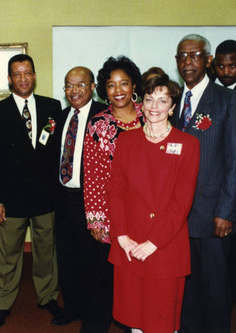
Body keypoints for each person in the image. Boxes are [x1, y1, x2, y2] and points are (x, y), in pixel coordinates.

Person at [107, 74, 200, 333]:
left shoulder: (188, 144)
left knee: (162, 321)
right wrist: (122, 236)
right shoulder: (126, 141)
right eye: (149, 99)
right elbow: (116, 191)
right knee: (134, 319)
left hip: (165, 246)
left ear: (172, 107)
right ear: (141, 103)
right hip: (131, 244)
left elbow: (182, 202)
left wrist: (154, 243)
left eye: (162, 101)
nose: (154, 107)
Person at [0, 54, 62, 328]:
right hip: (10, 199)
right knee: (7, 255)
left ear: (35, 75)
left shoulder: (53, 107)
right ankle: (2, 303)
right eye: (17, 74)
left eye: (27, 72)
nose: (23, 78)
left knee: (46, 252)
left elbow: (57, 155)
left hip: (45, 197)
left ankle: (48, 296)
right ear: (9, 79)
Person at [174, 34, 236, 333]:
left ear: (208, 61)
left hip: (213, 213)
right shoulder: (174, 99)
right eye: (182, 56)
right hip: (178, 216)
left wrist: (227, 212)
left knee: (216, 291)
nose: (188, 61)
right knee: (186, 288)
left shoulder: (229, 100)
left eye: (194, 55)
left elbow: (234, 160)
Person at [82, 56, 143, 332]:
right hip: (110, 215)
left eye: (124, 84)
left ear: (134, 87)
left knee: (140, 278)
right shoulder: (97, 124)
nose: (118, 91)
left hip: (146, 214)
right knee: (105, 279)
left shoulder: (151, 115)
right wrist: (96, 219)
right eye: (111, 85)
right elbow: (91, 175)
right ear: (104, 90)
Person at [52, 67, 105, 329]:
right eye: (68, 86)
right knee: (68, 258)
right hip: (64, 199)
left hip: (93, 201)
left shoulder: (104, 116)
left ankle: (93, 315)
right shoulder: (61, 118)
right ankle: (72, 307)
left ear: (93, 86)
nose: (74, 91)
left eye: (80, 85)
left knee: (93, 261)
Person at [214, 39, 236, 305]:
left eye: (232, 66)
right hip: (219, 184)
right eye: (221, 66)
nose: (226, 72)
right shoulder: (209, 92)